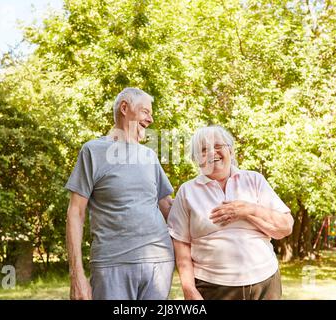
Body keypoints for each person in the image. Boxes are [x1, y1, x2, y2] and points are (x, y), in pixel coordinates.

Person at [65, 88, 175, 300]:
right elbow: (75, 212)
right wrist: (76, 275)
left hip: (159, 262)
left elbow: (168, 207)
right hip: (112, 263)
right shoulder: (93, 151)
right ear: (124, 108)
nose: (150, 119)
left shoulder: (149, 156)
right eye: (145, 112)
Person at [167, 125, 294, 300]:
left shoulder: (254, 180)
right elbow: (181, 244)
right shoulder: (187, 191)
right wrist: (188, 288)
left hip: (265, 281)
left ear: (231, 150)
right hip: (213, 286)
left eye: (218, 146)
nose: (212, 153)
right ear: (196, 159)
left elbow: (285, 227)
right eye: (204, 149)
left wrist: (248, 209)